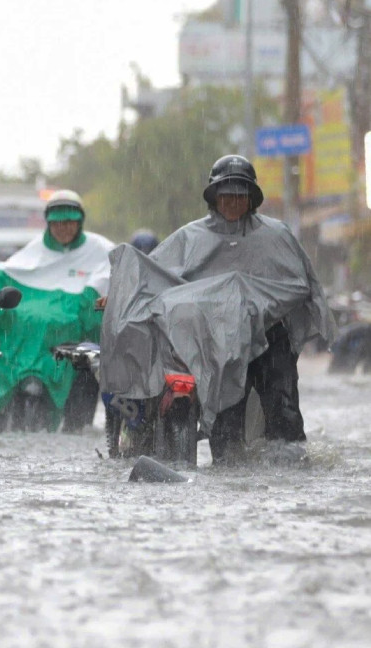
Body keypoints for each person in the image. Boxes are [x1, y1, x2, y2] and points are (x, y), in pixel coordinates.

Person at [102, 155, 334, 462]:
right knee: (226, 425)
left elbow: (299, 284)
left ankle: (292, 470)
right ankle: (228, 474)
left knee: (283, 408)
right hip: (218, 347)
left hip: (270, 339)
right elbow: (155, 276)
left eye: (240, 195)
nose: (233, 201)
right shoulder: (190, 237)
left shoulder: (276, 235)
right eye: (226, 194)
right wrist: (119, 297)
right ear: (215, 197)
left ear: (252, 199)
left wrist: (253, 303)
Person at [0, 189, 115, 432]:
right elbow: (10, 273)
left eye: (69, 222)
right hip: (28, 353)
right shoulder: (34, 251)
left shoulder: (100, 250)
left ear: (79, 221)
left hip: (77, 355)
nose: (64, 228)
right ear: (49, 224)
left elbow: (110, 284)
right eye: (57, 223)